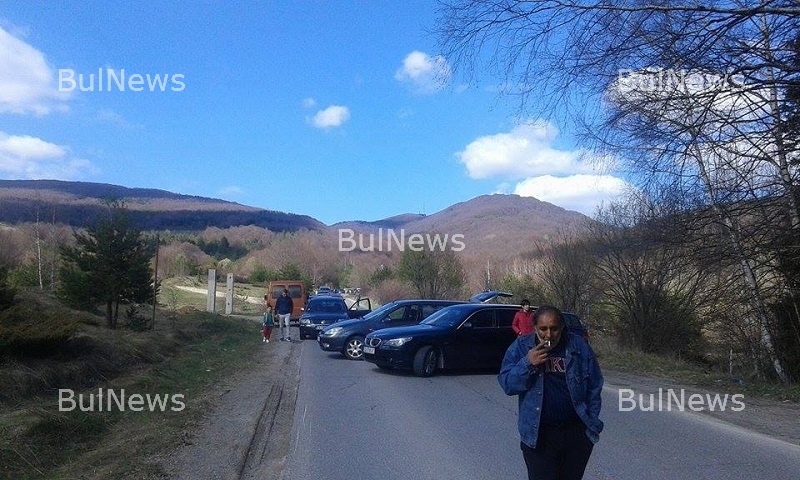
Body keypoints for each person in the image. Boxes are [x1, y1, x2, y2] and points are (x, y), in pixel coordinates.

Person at [498, 305, 603, 480]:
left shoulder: (578, 346)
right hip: (539, 435)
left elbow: (595, 384)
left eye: (554, 329)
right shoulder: (522, 347)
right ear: (535, 327)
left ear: (561, 327)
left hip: (575, 435)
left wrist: (591, 422)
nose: (548, 335)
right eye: (543, 329)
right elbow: (508, 384)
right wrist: (528, 363)